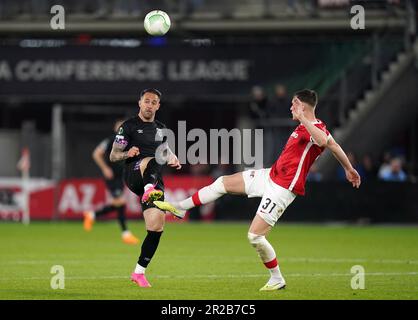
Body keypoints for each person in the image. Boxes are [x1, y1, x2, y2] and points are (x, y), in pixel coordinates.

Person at [154, 89, 361, 291]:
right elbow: (335, 146)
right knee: (222, 183)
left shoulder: (315, 127)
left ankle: (277, 278)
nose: (290, 107)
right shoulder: (306, 126)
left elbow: (325, 142)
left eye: (293, 104)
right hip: (270, 176)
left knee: (255, 237)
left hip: (283, 188)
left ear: (302, 106)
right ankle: (181, 207)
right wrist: (349, 168)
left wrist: (304, 119)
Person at [109, 88, 181, 288]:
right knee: (151, 159)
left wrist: (173, 157)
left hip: (154, 178)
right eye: (146, 101)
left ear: (158, 106)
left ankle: (139, 272)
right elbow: (113, 156)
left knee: (156, 227)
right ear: (140, 103)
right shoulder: (128, 126)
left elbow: (165, 151)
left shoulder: (161, 128)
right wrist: (127, 153)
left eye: (154, 102)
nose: (149, 105)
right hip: (134, 173)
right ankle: (150, 188)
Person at [83, 119, 140, 245]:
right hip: (112, 177)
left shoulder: (130, 142)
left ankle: (91, 215)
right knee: (120, 203)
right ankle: (126, 234)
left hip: (121, 177)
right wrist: (105, 168)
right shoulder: (111, 140)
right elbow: (96, 153)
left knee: (119, 204)